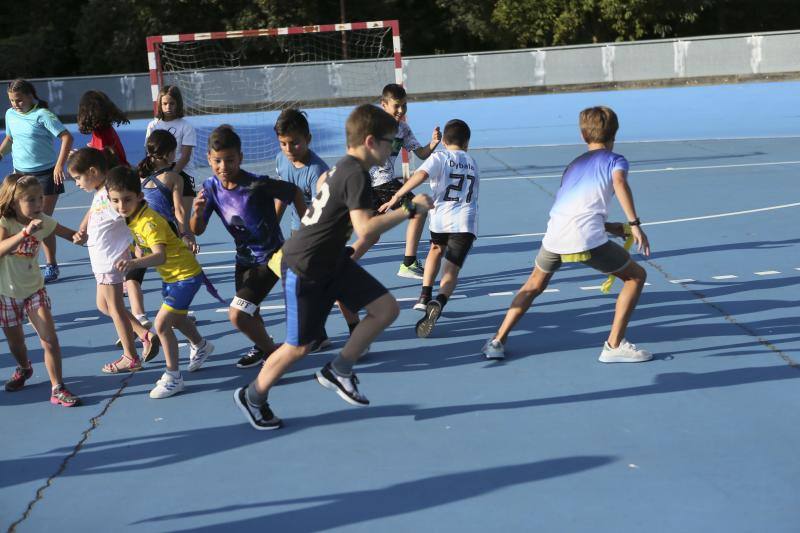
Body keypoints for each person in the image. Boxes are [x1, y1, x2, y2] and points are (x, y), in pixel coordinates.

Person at [234, 104, 432, 431]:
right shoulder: (354, 173)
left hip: (331, 260)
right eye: (389, 142)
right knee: (298, 347)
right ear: (370, 141)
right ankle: (253, 396)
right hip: (305, 265)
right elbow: (366, 228)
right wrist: (410, 208)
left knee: (386, 309)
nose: (392, 148)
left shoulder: (346, 169)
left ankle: (339, 369)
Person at [481, 106, 652, 363]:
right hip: (585, 239)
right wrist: (634, 223)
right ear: (615, 133)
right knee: (636, 277)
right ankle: (614, 345)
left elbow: (574, 208)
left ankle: (497, 341)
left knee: (533, 285)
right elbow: (619, 183)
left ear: (584, 136)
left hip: (555, 235)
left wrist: (607, 226)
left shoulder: (573, 165)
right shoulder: (616, 160)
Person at [190, 125, 304, 369]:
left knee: (238, 314)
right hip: (243, 260)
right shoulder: (210, 187)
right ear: (209, 159)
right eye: (217, 161)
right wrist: (197, 214)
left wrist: (306, 227)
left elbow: (293, 192)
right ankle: (263, 346)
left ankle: (274, 354)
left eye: (230, 160)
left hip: (271, 258)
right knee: (250, 310)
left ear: (240, 158)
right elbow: (197, 230)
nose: (223, 167)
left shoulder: (256, 185)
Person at [106, 167, 216, 398]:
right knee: (177, 319)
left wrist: (133, 263)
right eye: (115, 200)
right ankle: (201, 345)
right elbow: (139, 245)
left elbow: (160, 256)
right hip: (172, 276)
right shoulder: (132, 217)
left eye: (127, 199)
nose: (121, 206)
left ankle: (173, 377)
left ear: (139, 196)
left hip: (184, 276)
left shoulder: (148, 222)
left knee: (162, 325)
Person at [379, 119, 478, 338]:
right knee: (451, 271)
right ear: (467, 143)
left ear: (443, 141)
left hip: (441, 218)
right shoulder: (471, 162)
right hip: (465, 221)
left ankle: (424, 296)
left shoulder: (440, 157)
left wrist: (396, 196)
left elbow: (420, 176)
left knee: (435, 250)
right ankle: (439, 300)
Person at [67, 148, 160, 373]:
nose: (77, 183)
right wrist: (82, 228)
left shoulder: (111, 195)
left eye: (78, 178)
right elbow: (92, 213)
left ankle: (130, 356)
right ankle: (144, 334)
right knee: (103, 305)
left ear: (93, 171)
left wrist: (140, 243)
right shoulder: (100, 193)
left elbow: (132, 214)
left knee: (116, 308)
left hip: (110, 260)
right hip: (101, 260)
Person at [0, 174, 80, 405]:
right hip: (7, 292)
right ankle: (24, 368)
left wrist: (81, 236)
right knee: (16, 343)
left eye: (40, 198)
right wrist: (24, 233)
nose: (39, 204)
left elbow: (70, 234)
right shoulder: (6, 223)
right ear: (15, 203)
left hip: (34, 289)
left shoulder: (44, 220)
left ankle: (58, 387)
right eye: (31, 200)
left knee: (49, 339)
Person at [274, 108, 349, 351]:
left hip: (322, 235)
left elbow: (323, 210)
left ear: (308, 139)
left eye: (294, 143)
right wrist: (271, 228)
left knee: (332, 285)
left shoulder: (317, 171)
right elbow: (282, 197)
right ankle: (318, 334)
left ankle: (356, 326)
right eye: (283, 143)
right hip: (299, 233)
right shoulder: (280, 161)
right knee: (304, 286)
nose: (288, 149)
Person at [0, 79, 73, 283]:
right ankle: (21, 260)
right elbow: (11, 139)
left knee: (42, 221)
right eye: (12, 101)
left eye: (19, 100)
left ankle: (51, 264)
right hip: (20, 175)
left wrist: (60, 165)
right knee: (16, 218)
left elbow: (67, 137)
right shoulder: (10, 115)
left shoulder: (43, 115)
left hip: (46, 175)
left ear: (31, 96)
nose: (15, 104)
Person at [366, 83, 441, 279]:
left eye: (404, 106)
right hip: (377, 184)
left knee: (371, 235)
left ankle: (341, 265)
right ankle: (408, 263)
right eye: (396, 106)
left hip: (382, 185)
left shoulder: (403, 129)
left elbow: (422, 154)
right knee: (418, 210)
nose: (401, 110)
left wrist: (433, 143)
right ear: (384, 105)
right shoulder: (374, 126)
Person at [145, 85, 197, 232]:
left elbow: (185, 156)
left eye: (172, 103)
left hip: (182, 174)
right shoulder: (153, 125)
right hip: (158, 176)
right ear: (160, 105)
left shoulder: (186, 126)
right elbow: (149, 152)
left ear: (178, 104)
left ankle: (190, 254)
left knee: (183, 224)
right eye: (165, 103)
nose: (168, 107)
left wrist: (171, 175)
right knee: (161, 222)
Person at [77, 90, 131, 167]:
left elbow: (101, 160)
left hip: (114, 175)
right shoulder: (106, 130)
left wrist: (80, 157)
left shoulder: (100, 134)